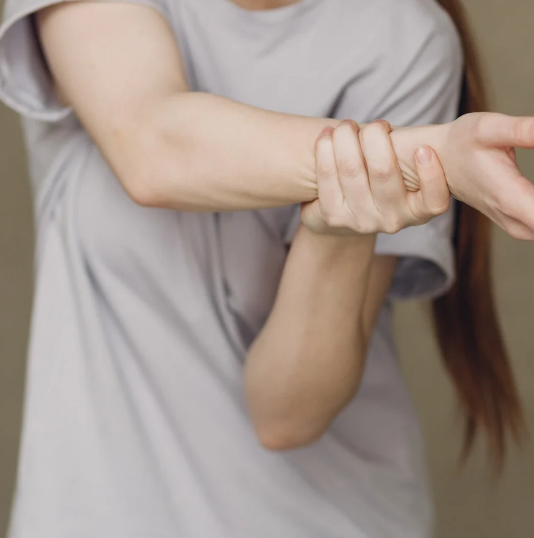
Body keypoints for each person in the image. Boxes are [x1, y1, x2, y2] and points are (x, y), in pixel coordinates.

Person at [0, 0, 530, 537]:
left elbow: (285, 418)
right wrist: (429, 153)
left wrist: (338, 226)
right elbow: (154, 148)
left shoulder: (403, 36)